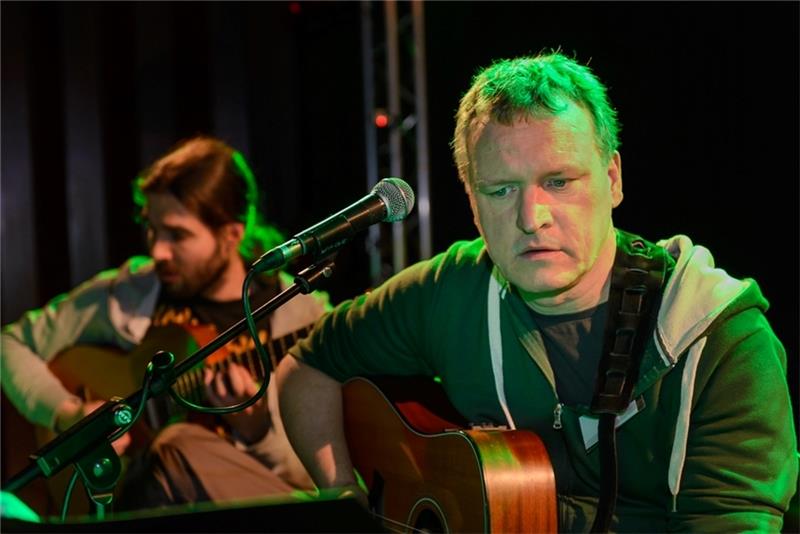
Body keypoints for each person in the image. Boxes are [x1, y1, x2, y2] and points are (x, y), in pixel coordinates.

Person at [276, 52, 798, 531]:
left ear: (613, 179)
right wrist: (343, 498)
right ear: (472, 202)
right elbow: (306, 367)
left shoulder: (719, 337)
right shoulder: (450, 291)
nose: (531, 218)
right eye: (501, 190)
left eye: (559, 182)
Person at [1, 136, 329, 510]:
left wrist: (257, 433)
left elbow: (318, 481)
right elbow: (10, 343)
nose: (157, 250)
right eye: (151, 228)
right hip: (124, 507)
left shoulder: (302, 318)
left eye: (178, 235)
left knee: (176, 444)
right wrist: (66, 413)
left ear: (231, 234)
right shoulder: (127, 292)